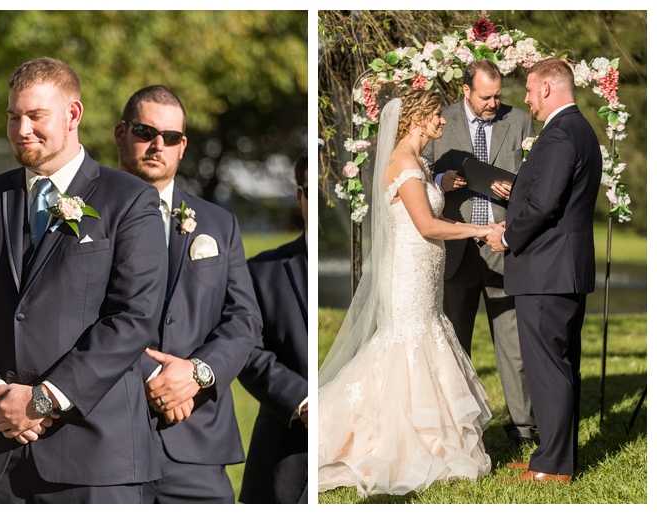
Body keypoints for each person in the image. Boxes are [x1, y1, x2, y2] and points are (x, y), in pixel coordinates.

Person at [0, 57, 168, 503]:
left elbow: (134, 316)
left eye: (35, 116)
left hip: (95, 459)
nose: (22, 129)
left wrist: (43, 399)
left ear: (72, 115)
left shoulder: (129, 200)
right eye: (13, 116)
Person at [317, 89, 497, 495]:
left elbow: (418, 196)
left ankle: (432, 438)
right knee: (405, 348)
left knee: (421, 345)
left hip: (423, 275)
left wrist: (439, 183)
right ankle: (394, 440)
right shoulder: (403, 162)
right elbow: (428, 227)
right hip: (408, 277)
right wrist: (481, 229)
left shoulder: (416, 163)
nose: (444, 121)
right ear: (416, 120)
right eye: (436, 114)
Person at [113, 85, 259, 503]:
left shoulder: (218, 223)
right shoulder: (86, 220)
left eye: (171, 137)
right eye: (145, 131)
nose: (158, 145)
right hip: (109, 436)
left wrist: (196, 374)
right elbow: (76, 314)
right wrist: (155, 376)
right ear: (121, 133)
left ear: (182, 146)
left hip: (196, 436)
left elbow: (244, 319)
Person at [488, 58, 601, 484]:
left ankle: (552, 466)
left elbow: (545, 204)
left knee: (548, 366)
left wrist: (507, 237)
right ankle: (554, 457)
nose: (527, 100)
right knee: (562, 364)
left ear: (549, 89)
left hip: (546, 269)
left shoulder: (559, 135)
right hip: (562, 268)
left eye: (532, 91)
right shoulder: (580, 130)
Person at [422, 59, 537, 448]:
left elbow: (537, 179)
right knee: (455, 344)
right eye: (485, 97)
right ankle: (460, 429)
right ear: (466, 91)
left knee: (513, 345)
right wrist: (442, 179)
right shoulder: (441, 120)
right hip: (456, 250)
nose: (493, 103)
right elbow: (416, 172)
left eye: (497, 96)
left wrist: (515, 189)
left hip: (503, 246)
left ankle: (522, 428)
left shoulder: (520, 121)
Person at [236, 152, 310, 504]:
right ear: (299, 198)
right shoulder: (261, 271)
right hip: (287, 451)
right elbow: (245, 349)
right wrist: (302, 401)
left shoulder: (375, 271)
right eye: (312, 193)